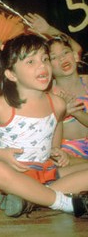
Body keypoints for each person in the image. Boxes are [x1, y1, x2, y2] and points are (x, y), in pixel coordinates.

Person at [0, 34, 88, 218]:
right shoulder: (2, 106)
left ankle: (31, 201)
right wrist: (0, 154)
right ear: (11, 74)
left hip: (47, 174)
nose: (42, 66)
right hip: (14, 177)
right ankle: (65, 203)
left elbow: (53, 146)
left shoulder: (57, 104)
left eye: (45, 59)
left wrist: (59, 152)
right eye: (31, 62)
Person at [24, 14, 88, 160]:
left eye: (65, 53)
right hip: (68, 153)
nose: (62, 59)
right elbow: (40, 133)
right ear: (47, 65)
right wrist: (62, 114)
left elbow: (74, 46)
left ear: (74, 55)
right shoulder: (46, 93)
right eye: (53, 58)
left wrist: (49, 29)